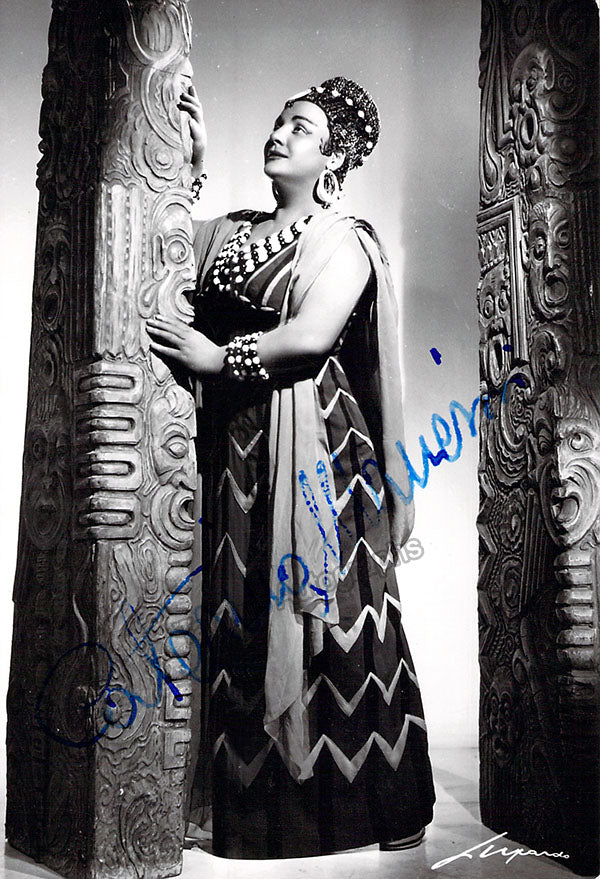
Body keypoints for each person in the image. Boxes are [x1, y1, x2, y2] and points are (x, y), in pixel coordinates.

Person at [146, 75, 435, 859]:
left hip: (322, 461)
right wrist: (192, 159)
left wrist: (217, 357)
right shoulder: (234, 232)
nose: (279, 133)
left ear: (333, 158)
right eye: (277, 121)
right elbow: (165, 246)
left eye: (300, 127)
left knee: (334, 621)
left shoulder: (346, 238)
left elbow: (310, 336)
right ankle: (251, 816)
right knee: (241, 616)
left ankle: (362, 808)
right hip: (236, 452)